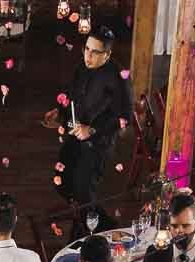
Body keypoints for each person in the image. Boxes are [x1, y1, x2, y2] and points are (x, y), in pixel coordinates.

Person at [46, 25, 129, 234]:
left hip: (98, 143)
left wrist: (92, 130)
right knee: (61, 182)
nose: (88, 56)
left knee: (83, 190)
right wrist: (59, 111)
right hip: (75, 134)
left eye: (95, 52)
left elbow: (123, 117)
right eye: (86, 49)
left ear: (107, 54)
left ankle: (90, 231)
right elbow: (70, 92)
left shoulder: (117, 79)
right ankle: (96, 222)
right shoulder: (83, 66)